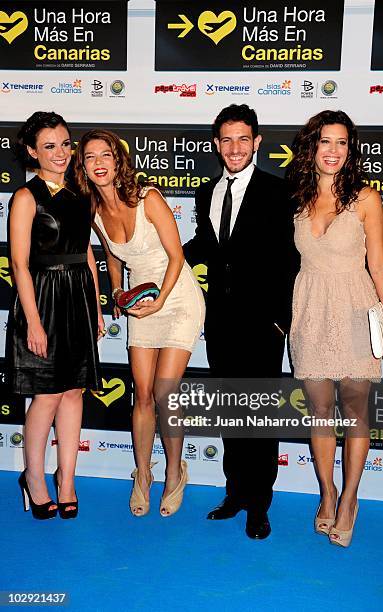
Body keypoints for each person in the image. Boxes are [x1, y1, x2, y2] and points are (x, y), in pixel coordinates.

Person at [74, 129, 205, 517]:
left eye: (105, 155)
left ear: (118, 161)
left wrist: (160, 300)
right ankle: (143, 473)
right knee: (142, 393)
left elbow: (177, 257)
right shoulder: (94, 212)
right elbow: (113, 257)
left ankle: (174, 472)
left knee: (165, 392)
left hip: (176, 296)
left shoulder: (148, 197)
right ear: (82, 167)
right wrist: (116, 291)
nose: (98, 163)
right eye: (90, 158)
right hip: (140, 302)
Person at [183, 104, 298, 539]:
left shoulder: (278, 191)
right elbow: (206, 247)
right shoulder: (205, 192)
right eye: (227, 139)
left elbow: (291, 259)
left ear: (257, 142)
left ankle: (259, 504)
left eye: (243, 139)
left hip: (263, 326)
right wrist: (162, 262)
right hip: (221, 323)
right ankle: (235, 493)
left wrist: (280, 322)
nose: (235, 148)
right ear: (217, 144)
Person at [287, 110, 383, 547]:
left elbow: (378, 263)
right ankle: (327, 493)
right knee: (319, 413)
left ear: (350, 150)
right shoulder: (296, 197)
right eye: (325, 141)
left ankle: (351, 498)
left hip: (355, 308)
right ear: (311, 146)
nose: (333, 151)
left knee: (354, 413)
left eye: (342, 143)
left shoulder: (366, 198)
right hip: (310, 310)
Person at [9, 111, 103, 520]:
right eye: (49, 146)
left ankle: (67, 480)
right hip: (43, 299)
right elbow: (18, 263)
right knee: (45, 395)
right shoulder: (25, 197)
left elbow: (85, 252)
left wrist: (96, 305)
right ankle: (34, 479)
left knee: (73, 391)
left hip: (78, 296)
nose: (61, 153)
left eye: (66, 144)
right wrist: (32, 320)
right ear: (32, 152)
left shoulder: (82, 194)